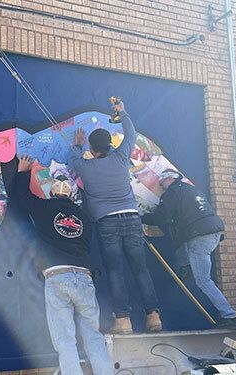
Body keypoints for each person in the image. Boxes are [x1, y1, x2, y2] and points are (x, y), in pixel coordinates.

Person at [69, 100, 162, 334]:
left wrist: (78, 145)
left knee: (115, 270)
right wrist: (122, 112)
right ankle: (153, 317)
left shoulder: (85, 166)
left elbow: (74, 159)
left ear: (92, 148)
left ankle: (123, 321)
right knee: (140, 268)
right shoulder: (121, 158)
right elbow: (130, 133)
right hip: (131, 218)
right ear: (110, 144)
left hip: (106, 221)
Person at [16, 155, 113, 375]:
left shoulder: (43, 208)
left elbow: (22, 197)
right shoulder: (84, 217)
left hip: (57, 276)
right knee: (93, 336)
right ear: (71, 195)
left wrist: (23, 172)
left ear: (52, 193)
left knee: (65, 339)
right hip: (84, 277)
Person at [141, 169, 236, 329]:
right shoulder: (191, 189)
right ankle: (186, 267)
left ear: (170, 179)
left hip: (198, 237)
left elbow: (160, 217)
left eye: (162, 182)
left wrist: (139, 217)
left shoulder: (172, 193)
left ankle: (230, 316)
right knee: (183, 251)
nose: (161, 185)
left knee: (203, 280)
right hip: (214, 232)